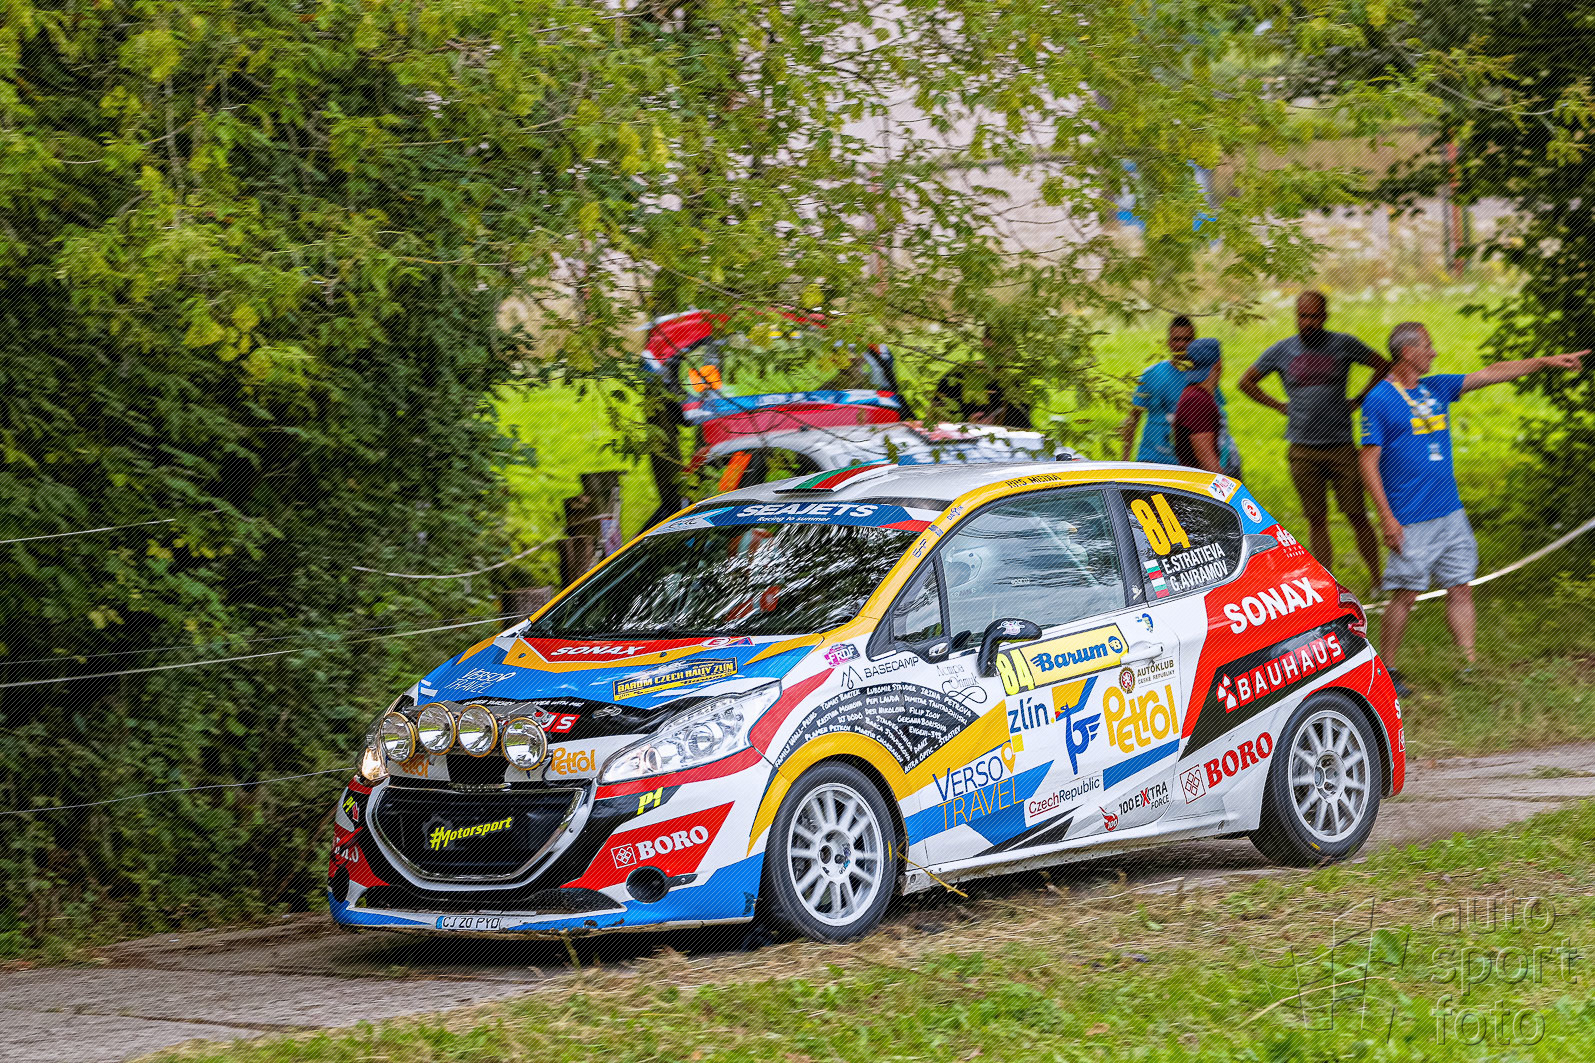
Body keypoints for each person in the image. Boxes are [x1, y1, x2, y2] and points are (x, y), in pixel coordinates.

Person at [1359, 323, 1586, 690]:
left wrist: (1544, 362)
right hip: (1410, 518)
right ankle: (1387, 670)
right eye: (1428, 346)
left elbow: (1490, 373)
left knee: (1461, 587)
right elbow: (1368, 462)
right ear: (1408, 353)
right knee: (1406, 594)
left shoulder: (1435, 388)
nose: (1434, 353)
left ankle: (1468, 664)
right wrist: (1387, 517)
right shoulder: (1380, 399)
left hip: (1450, 512)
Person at [1239, 291, 1389, 583]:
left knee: (1357, 514)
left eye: (1314, 316)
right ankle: (1327, 585)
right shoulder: (1282, 350)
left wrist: (1360, 399)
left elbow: (1382, 364)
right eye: (1303, 316)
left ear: (1325, 316)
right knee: (1316, 519)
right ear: (1296, 316)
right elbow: (1246, 382)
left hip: (1341, 447)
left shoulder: (1343, 344)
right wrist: (1279, 405)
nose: (1308, 322)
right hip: (1303, 450)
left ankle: (1378, 581)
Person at [1122, 317, 1241, 475]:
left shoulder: (1203, 378)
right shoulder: (1151, 375)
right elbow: (1132, 419)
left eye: (1187, 339)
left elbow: (1213, 420)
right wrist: (1125, 461)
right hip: (1151, 461)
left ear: (1194, 342)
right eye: (1176, 339)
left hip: (1186, 466)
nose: (1181, 344)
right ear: (1169, 342)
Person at [1172, 338, 1225, 472]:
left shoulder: (1193, 393)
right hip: (1198, 482)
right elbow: (1206, 458)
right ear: (1218, 364)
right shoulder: (1197, 400)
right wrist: (1225, 484)